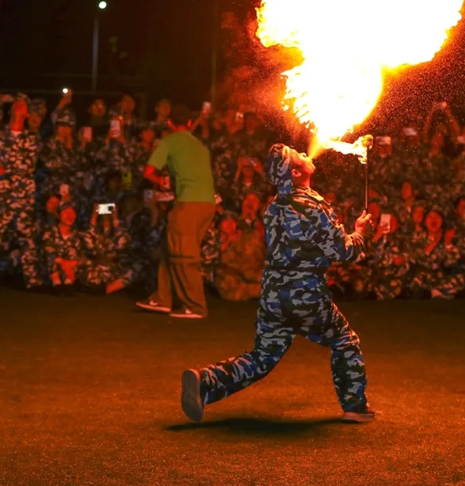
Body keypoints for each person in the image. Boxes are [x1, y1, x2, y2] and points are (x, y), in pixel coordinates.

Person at [179, 144, 375, 423]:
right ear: (295, 172)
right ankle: (355, 405)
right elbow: (343, 251)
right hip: (305, 294)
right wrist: (359, 233)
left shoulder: (272, 207)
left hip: (272, 295)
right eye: (298, 155)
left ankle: (204, 381)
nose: (306, 153)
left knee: (261, 358)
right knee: (345, 340)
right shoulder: (314, 206)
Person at [136, 104, 216, 318]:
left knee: (184, 255)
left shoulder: (169, 141)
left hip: (189, 203)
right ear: (190, 123)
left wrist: (161, 183)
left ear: (170, 123)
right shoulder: (201, 145)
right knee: (168, 247)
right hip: (207, 204)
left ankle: (195, 306)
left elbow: (149, 172)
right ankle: (162, 298)